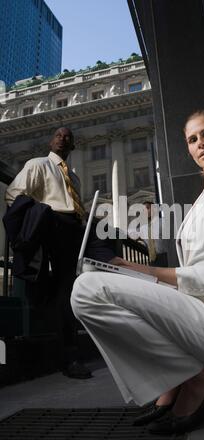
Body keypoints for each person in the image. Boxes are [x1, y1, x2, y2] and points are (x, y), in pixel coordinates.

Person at [70, 110, 204, 433]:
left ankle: (199, 378)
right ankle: (177, 381)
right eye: (192, 139)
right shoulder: (203, 198)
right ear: (187, 149)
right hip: (200, 318)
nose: (200, 143)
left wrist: (153, 272)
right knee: (85, 290)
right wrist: (136, 275)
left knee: (87, 290)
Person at [5, 127, 119, 379]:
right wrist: (41, 215)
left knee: (80, 285)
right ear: (50, 140)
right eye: (58, 134)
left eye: (68, 137)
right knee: (62, 292)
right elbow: (13, 194)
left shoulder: (74, 178)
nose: (62, 138)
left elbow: (71, 205)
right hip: (53, 226)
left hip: (74, 230)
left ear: (73, 146)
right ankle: (69, 357)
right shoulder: (37, 164)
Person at [128, 200, 168, 267]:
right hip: (153, 261)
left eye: (147, 208)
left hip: (167, 256)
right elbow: (129, 233)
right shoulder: (143, 229)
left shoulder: (164, 222)